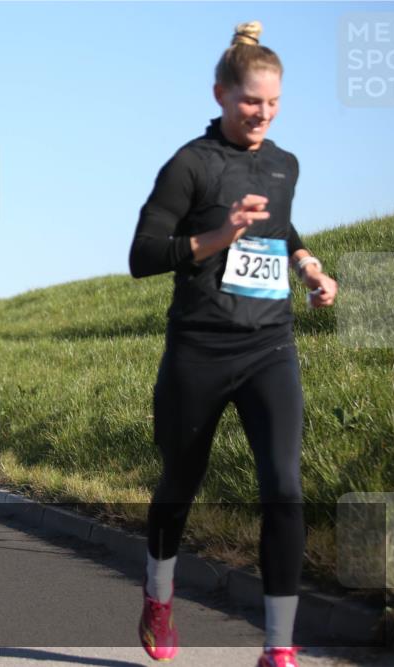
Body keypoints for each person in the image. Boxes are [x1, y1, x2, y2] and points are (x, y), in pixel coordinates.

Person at [128, 22, 338, 667]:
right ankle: (159, 596)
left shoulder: (283, 162)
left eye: (273, 103)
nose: (263, 114)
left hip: (270, 344)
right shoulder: (189, 165)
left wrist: (307, 265)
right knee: (181, 483)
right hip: (200, 346)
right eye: (251, 102)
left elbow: (281, 225)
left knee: (283, 486)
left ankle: (279, 646)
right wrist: (218, 236)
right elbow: (141, 257)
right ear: (220, 93)